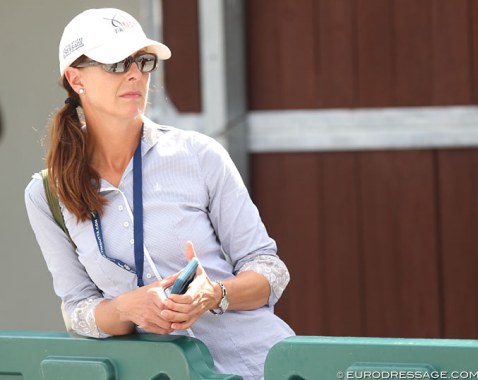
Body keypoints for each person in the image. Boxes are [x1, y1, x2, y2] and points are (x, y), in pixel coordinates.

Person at [24, 8, 294, 380]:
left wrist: (213, 294)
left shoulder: (200, 155)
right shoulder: (46, 193)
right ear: (75, 78)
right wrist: (125, 309)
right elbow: (78, 308)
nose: (135, 73)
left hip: (257, 367)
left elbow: (269, 270)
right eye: (117, 62)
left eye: (143, 61)